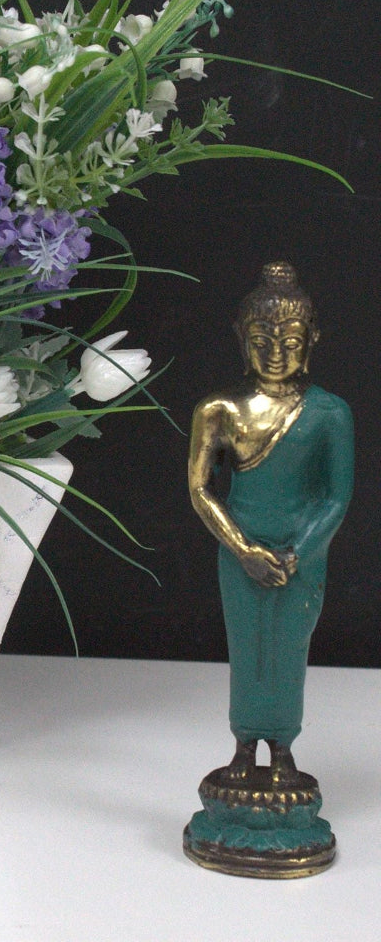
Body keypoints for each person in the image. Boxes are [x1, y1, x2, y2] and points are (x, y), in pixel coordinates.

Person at [187, 262, 353, 786]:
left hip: (301, 558)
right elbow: (200, 489)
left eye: (291, 339)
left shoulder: (329, 413)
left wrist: (297, 553)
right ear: (241, 338)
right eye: (262, 339)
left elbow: (335, 496)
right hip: (241, 553)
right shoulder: (219, 409)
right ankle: (242, 747)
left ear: (312, 340)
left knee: (287, 648)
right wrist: (243, 551)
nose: (276, 352)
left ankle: (282, 749)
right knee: (246, 646)